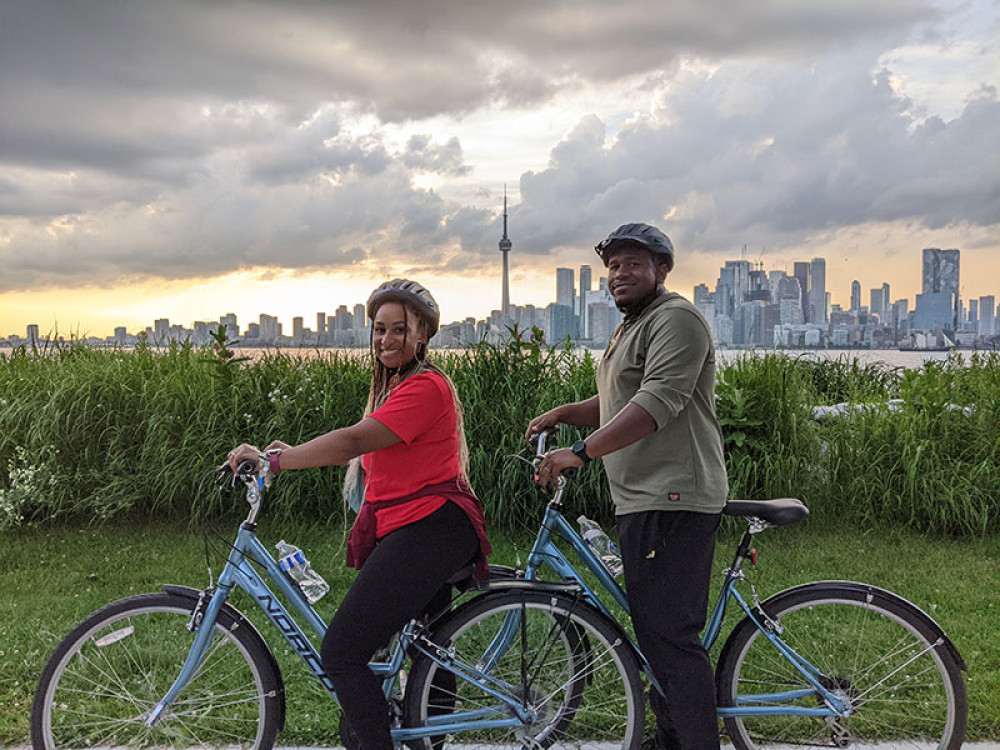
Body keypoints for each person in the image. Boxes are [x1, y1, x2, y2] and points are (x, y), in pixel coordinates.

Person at [227, 278, 490, 750]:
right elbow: (368, 451)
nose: (385, 340)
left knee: (343, 651)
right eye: (378, 330)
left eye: (397, 330)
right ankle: (425, 739)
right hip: (423, 527)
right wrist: (292, 452)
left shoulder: (426, 387)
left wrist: (274, 461)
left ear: (422, 336)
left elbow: (353, 440)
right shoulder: (397, 388)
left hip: (431, 528)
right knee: (427, 645)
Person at [527, 223, 727, 750]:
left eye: (633, 263)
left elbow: (657, 401)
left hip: (674, 496)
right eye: (613, 266)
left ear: (662, 269)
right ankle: (671, 737)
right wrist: (567, 414)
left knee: (672, 639)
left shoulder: (677, 319)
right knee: (656, 634)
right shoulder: (632, 327)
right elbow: (619, 398)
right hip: (644, 497)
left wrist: (582, 452)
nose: (620, 274)